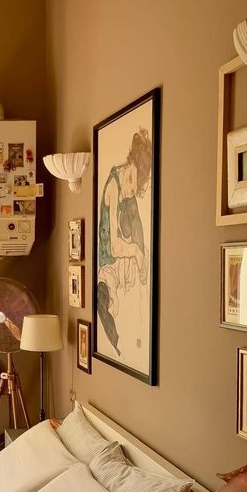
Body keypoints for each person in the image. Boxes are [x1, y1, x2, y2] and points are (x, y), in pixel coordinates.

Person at [96, 128, 152, 356]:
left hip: (123, 264)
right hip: (109, 264)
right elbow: (113, 247)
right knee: (109, 291)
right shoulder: (112, 186)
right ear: (130, 164)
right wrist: (136, 252)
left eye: (135, 188)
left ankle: (140, 339)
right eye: (131, 181)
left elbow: (137, 228)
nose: (130, 190)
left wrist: (141, 254)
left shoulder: (128, 191)